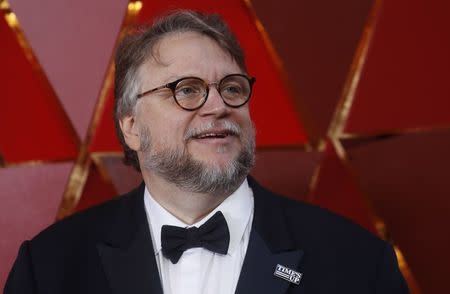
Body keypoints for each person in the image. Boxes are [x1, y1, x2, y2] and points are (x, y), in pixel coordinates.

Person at [4, 10, 409, 294]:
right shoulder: (49, 268)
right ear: (131, 127)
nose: (218, 106)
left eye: (232, 88)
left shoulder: (358, 262)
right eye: (187, 90)